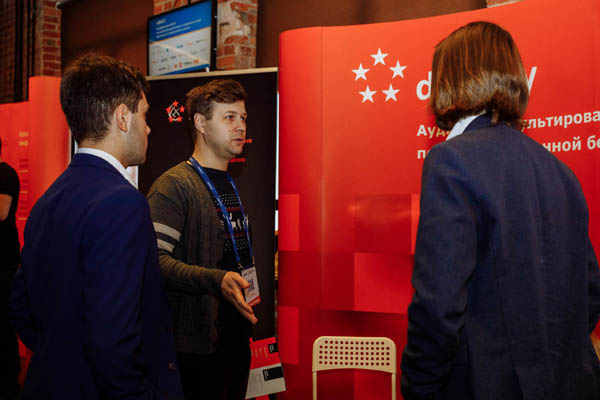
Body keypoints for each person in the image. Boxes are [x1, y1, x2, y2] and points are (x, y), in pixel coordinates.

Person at [400, 21, 600, 400]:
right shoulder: (562, 172)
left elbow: (438, 307)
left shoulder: (450, 161)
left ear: (447, 80)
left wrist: (419, 388)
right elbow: (589, 295)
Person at [9, 54, 183, 400]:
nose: (149, 128)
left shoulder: (48, 200)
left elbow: (20, 305)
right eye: (144, 115)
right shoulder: (124, 203)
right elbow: (113, 342)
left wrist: (64, 356)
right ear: (123, 117)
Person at [147, 79, 258, 400]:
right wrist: (215, 280)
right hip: (195, 351)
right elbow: (154, 262)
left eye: (243, 117)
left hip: (236, 337)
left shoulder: (229, 183)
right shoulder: (174, 186)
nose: (240, 126)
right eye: (229, 117)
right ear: (200, 123)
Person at [0, 140, 21, 400]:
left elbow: (2, 212)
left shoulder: (5, 174)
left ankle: (8, 384)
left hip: (3, 263)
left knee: (4, 324)